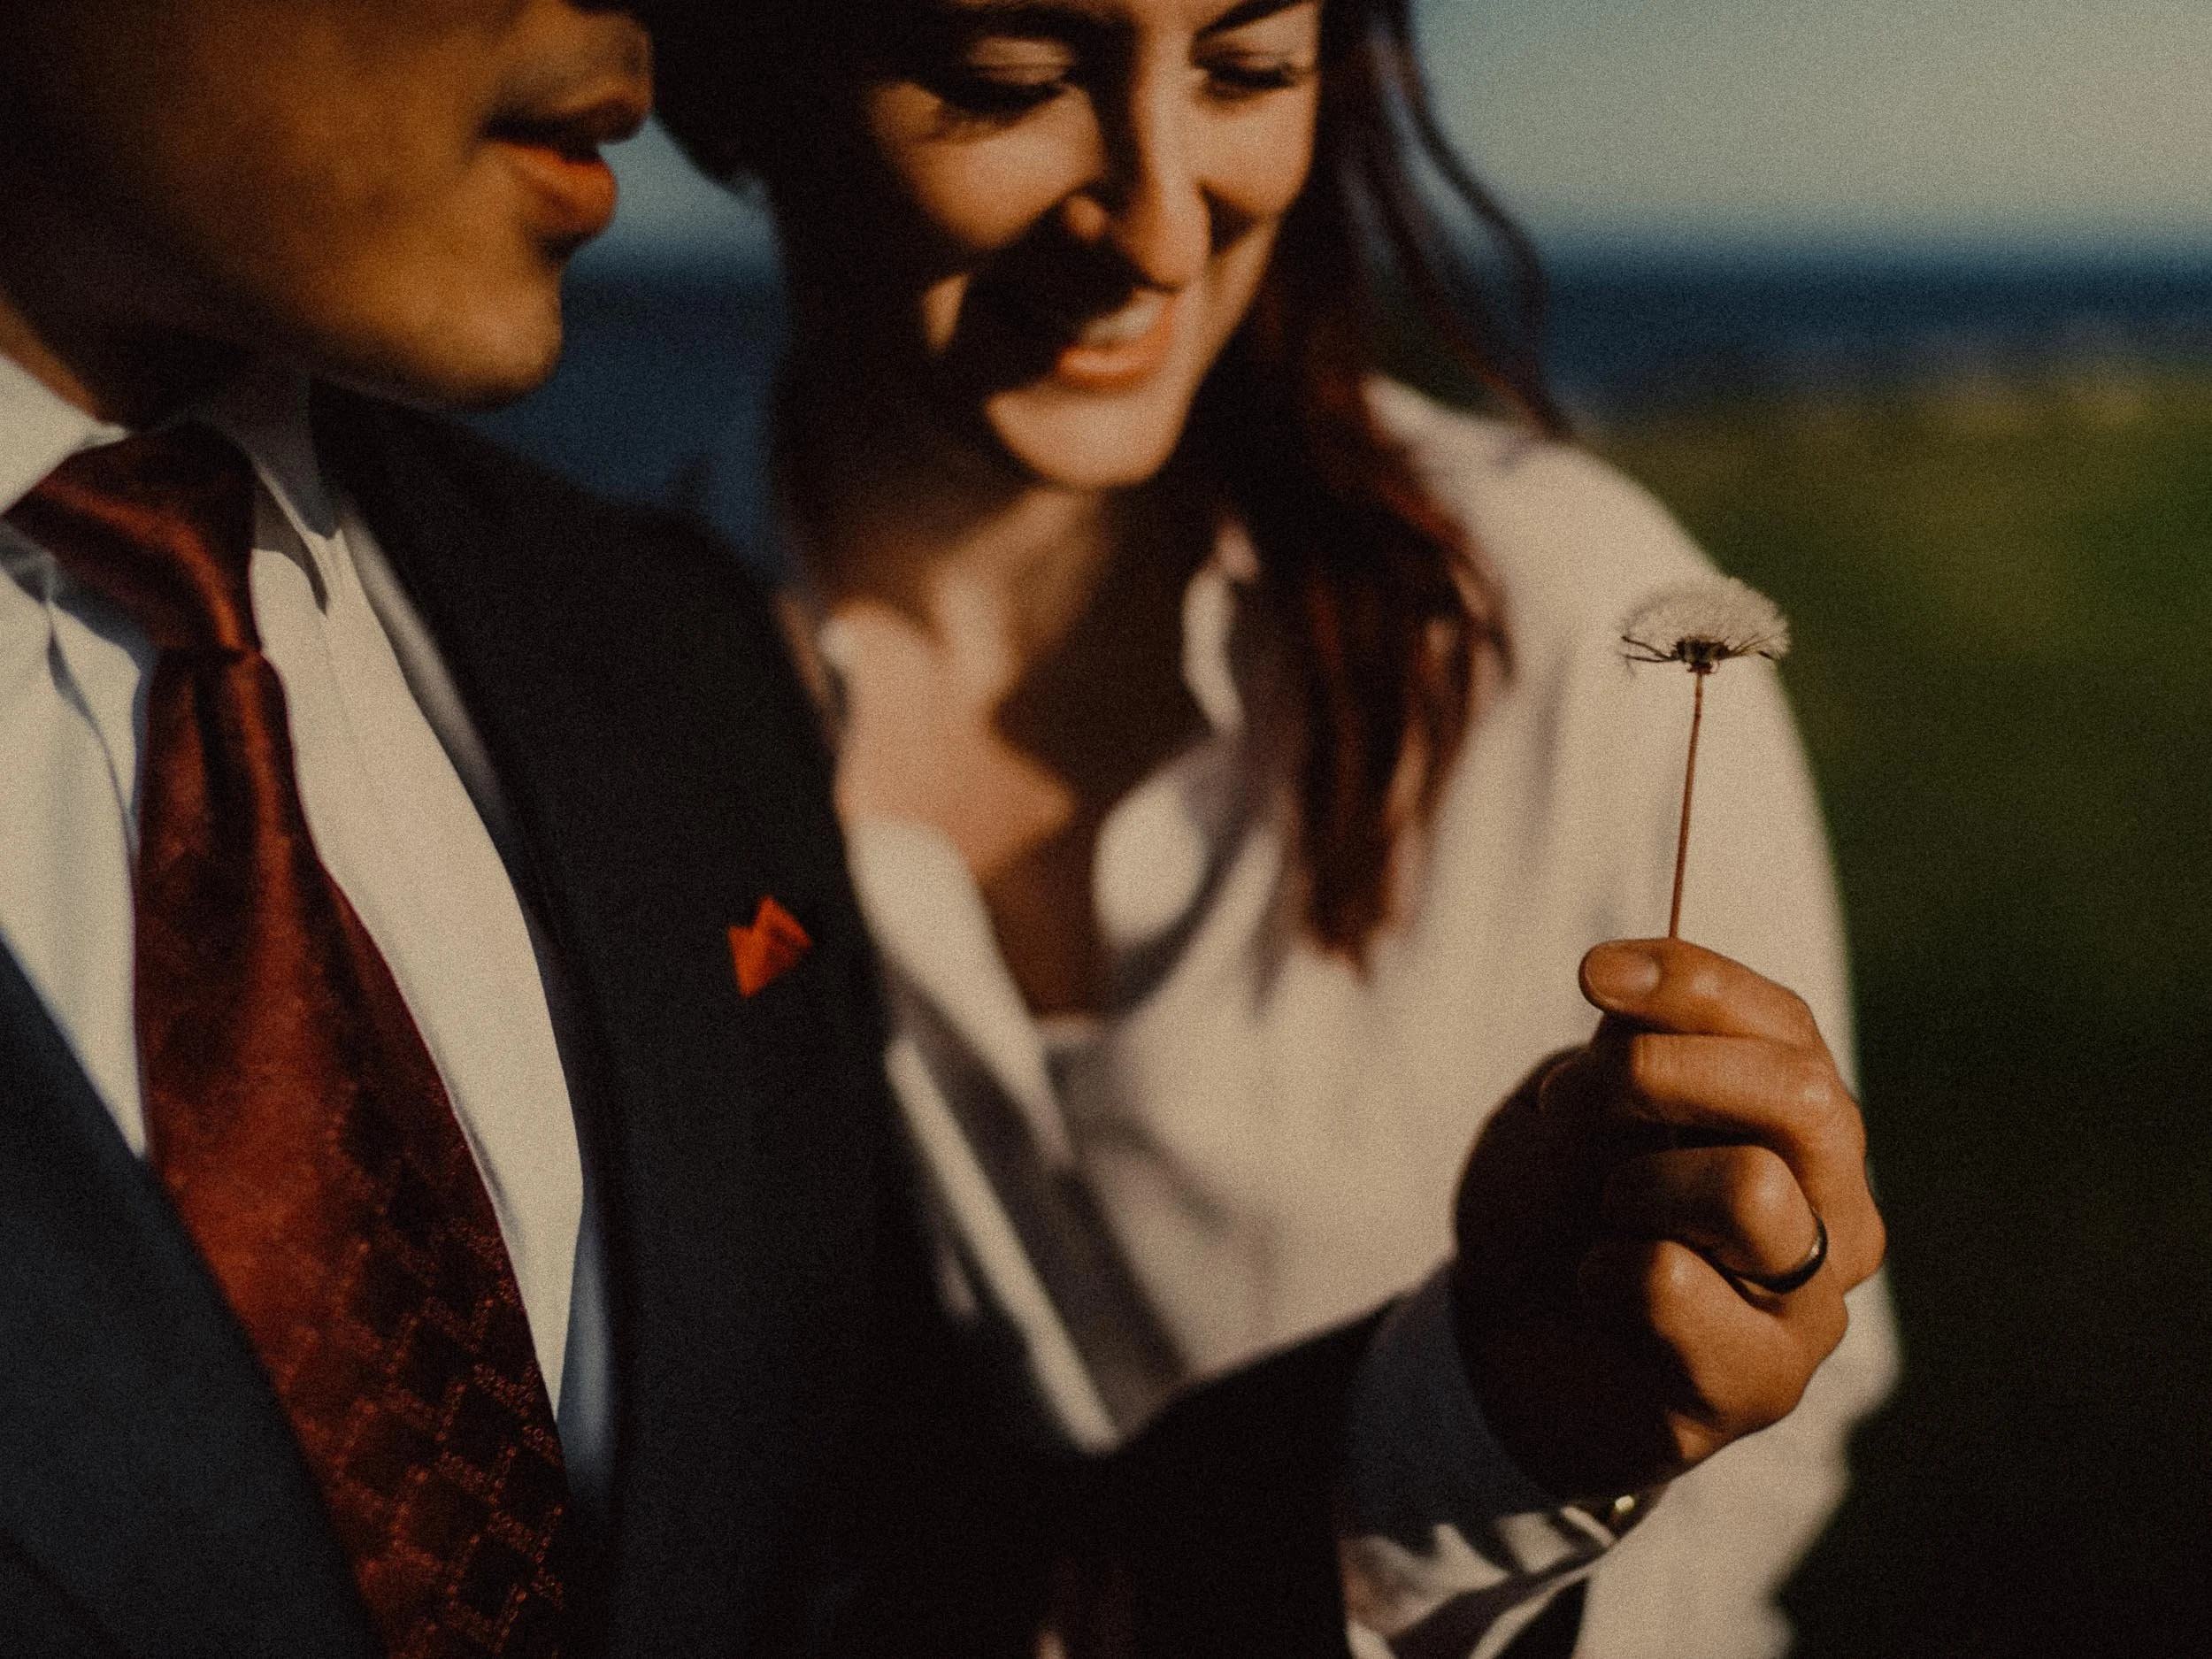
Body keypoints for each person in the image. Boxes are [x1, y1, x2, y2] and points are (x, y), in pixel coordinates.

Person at [645, 0, 1900, 1652]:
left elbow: (1769, 1448)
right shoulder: (593, 721)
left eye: (1249, 72)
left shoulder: (1560, 616)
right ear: (734, 89)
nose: (1162, 231)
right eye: (1010, 85)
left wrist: (1685, 1337)